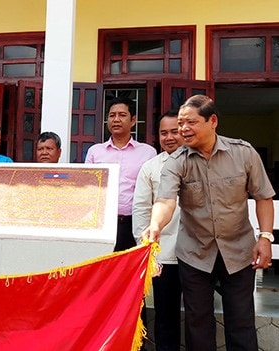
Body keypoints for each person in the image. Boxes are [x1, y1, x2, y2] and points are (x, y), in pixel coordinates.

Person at [144, 95, 275, 350]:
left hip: (238, 252)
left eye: (190, 122)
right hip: (195, 254)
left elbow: (263, 197)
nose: (183, 129)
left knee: (242, 321)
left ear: (212, 121)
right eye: (181, 123)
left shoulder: (243, 153)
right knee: (198, 323)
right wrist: (156, 225)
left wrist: (265, 237)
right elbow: (166, 201)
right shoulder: (176, 161)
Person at [133, 111, 183, 351]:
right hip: (163, 254)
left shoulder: (200, 161)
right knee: (165, 315)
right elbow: (141, 209)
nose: (169, 137)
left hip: (199, 254)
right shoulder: (150, 167)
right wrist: (146, 249)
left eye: (175, 131)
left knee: (198, 315)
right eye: (164, 133)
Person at [85, 96, 156, 251]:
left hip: (135, 223)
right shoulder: (95, 152)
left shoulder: (148, 152)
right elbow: (88, 189)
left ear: (133, 120)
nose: (116, 119)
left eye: (122, 115)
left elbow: (153, 191)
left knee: (130, 270)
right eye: (112, 115)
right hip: (102, 224)